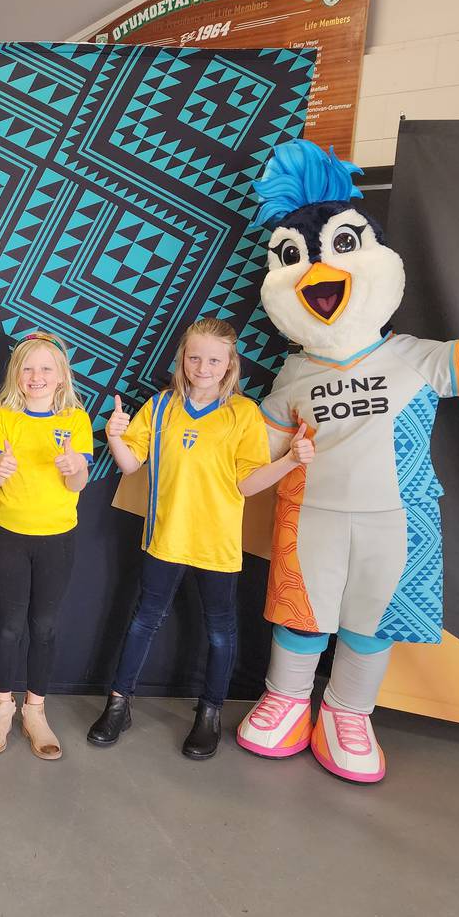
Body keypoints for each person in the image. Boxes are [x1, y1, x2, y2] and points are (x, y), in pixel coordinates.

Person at [86, 318, 313, 759]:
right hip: (166, 538)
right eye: (194, 357)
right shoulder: (161, 406)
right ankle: (118, 704)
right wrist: (115, 436)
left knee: (220, 633)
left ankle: (209, 713)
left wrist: (289, 461)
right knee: (142, 621)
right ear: (182, 360)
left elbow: (246, 485)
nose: (202, 367)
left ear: (229, 364)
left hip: (216, 545)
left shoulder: (242, 414)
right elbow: (131, 465)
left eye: (213, 359)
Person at [0, 331, 93, 760]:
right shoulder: (3, 418)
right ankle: (2, 706)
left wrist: (74, 467)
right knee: (9, 625)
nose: (37, 376)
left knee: (43, 626)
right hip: (11, 533)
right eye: (28, 368)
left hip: (57, 537)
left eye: (46, 368)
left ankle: (36, 710)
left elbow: (78, 483)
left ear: (61, 376)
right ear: (16, 375)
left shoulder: (76, 421)